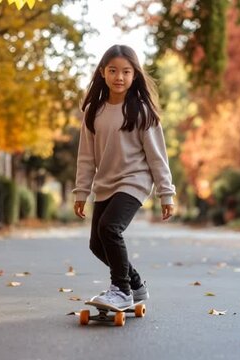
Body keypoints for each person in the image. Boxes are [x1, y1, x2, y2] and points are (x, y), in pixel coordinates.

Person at [72, 44, 176, 309]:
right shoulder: (92, 112)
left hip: (135, 181)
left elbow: (157, 156)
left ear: (135, 75)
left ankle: (121, 290)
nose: (119, 77)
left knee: (109, 228)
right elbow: (86, 157)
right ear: (103, 73)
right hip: (106, 183)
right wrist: (81, 192)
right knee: (97, 244)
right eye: (113, 70)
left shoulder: (142, 111)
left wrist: (166, 193)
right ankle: (137, 285)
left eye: (126, 72)